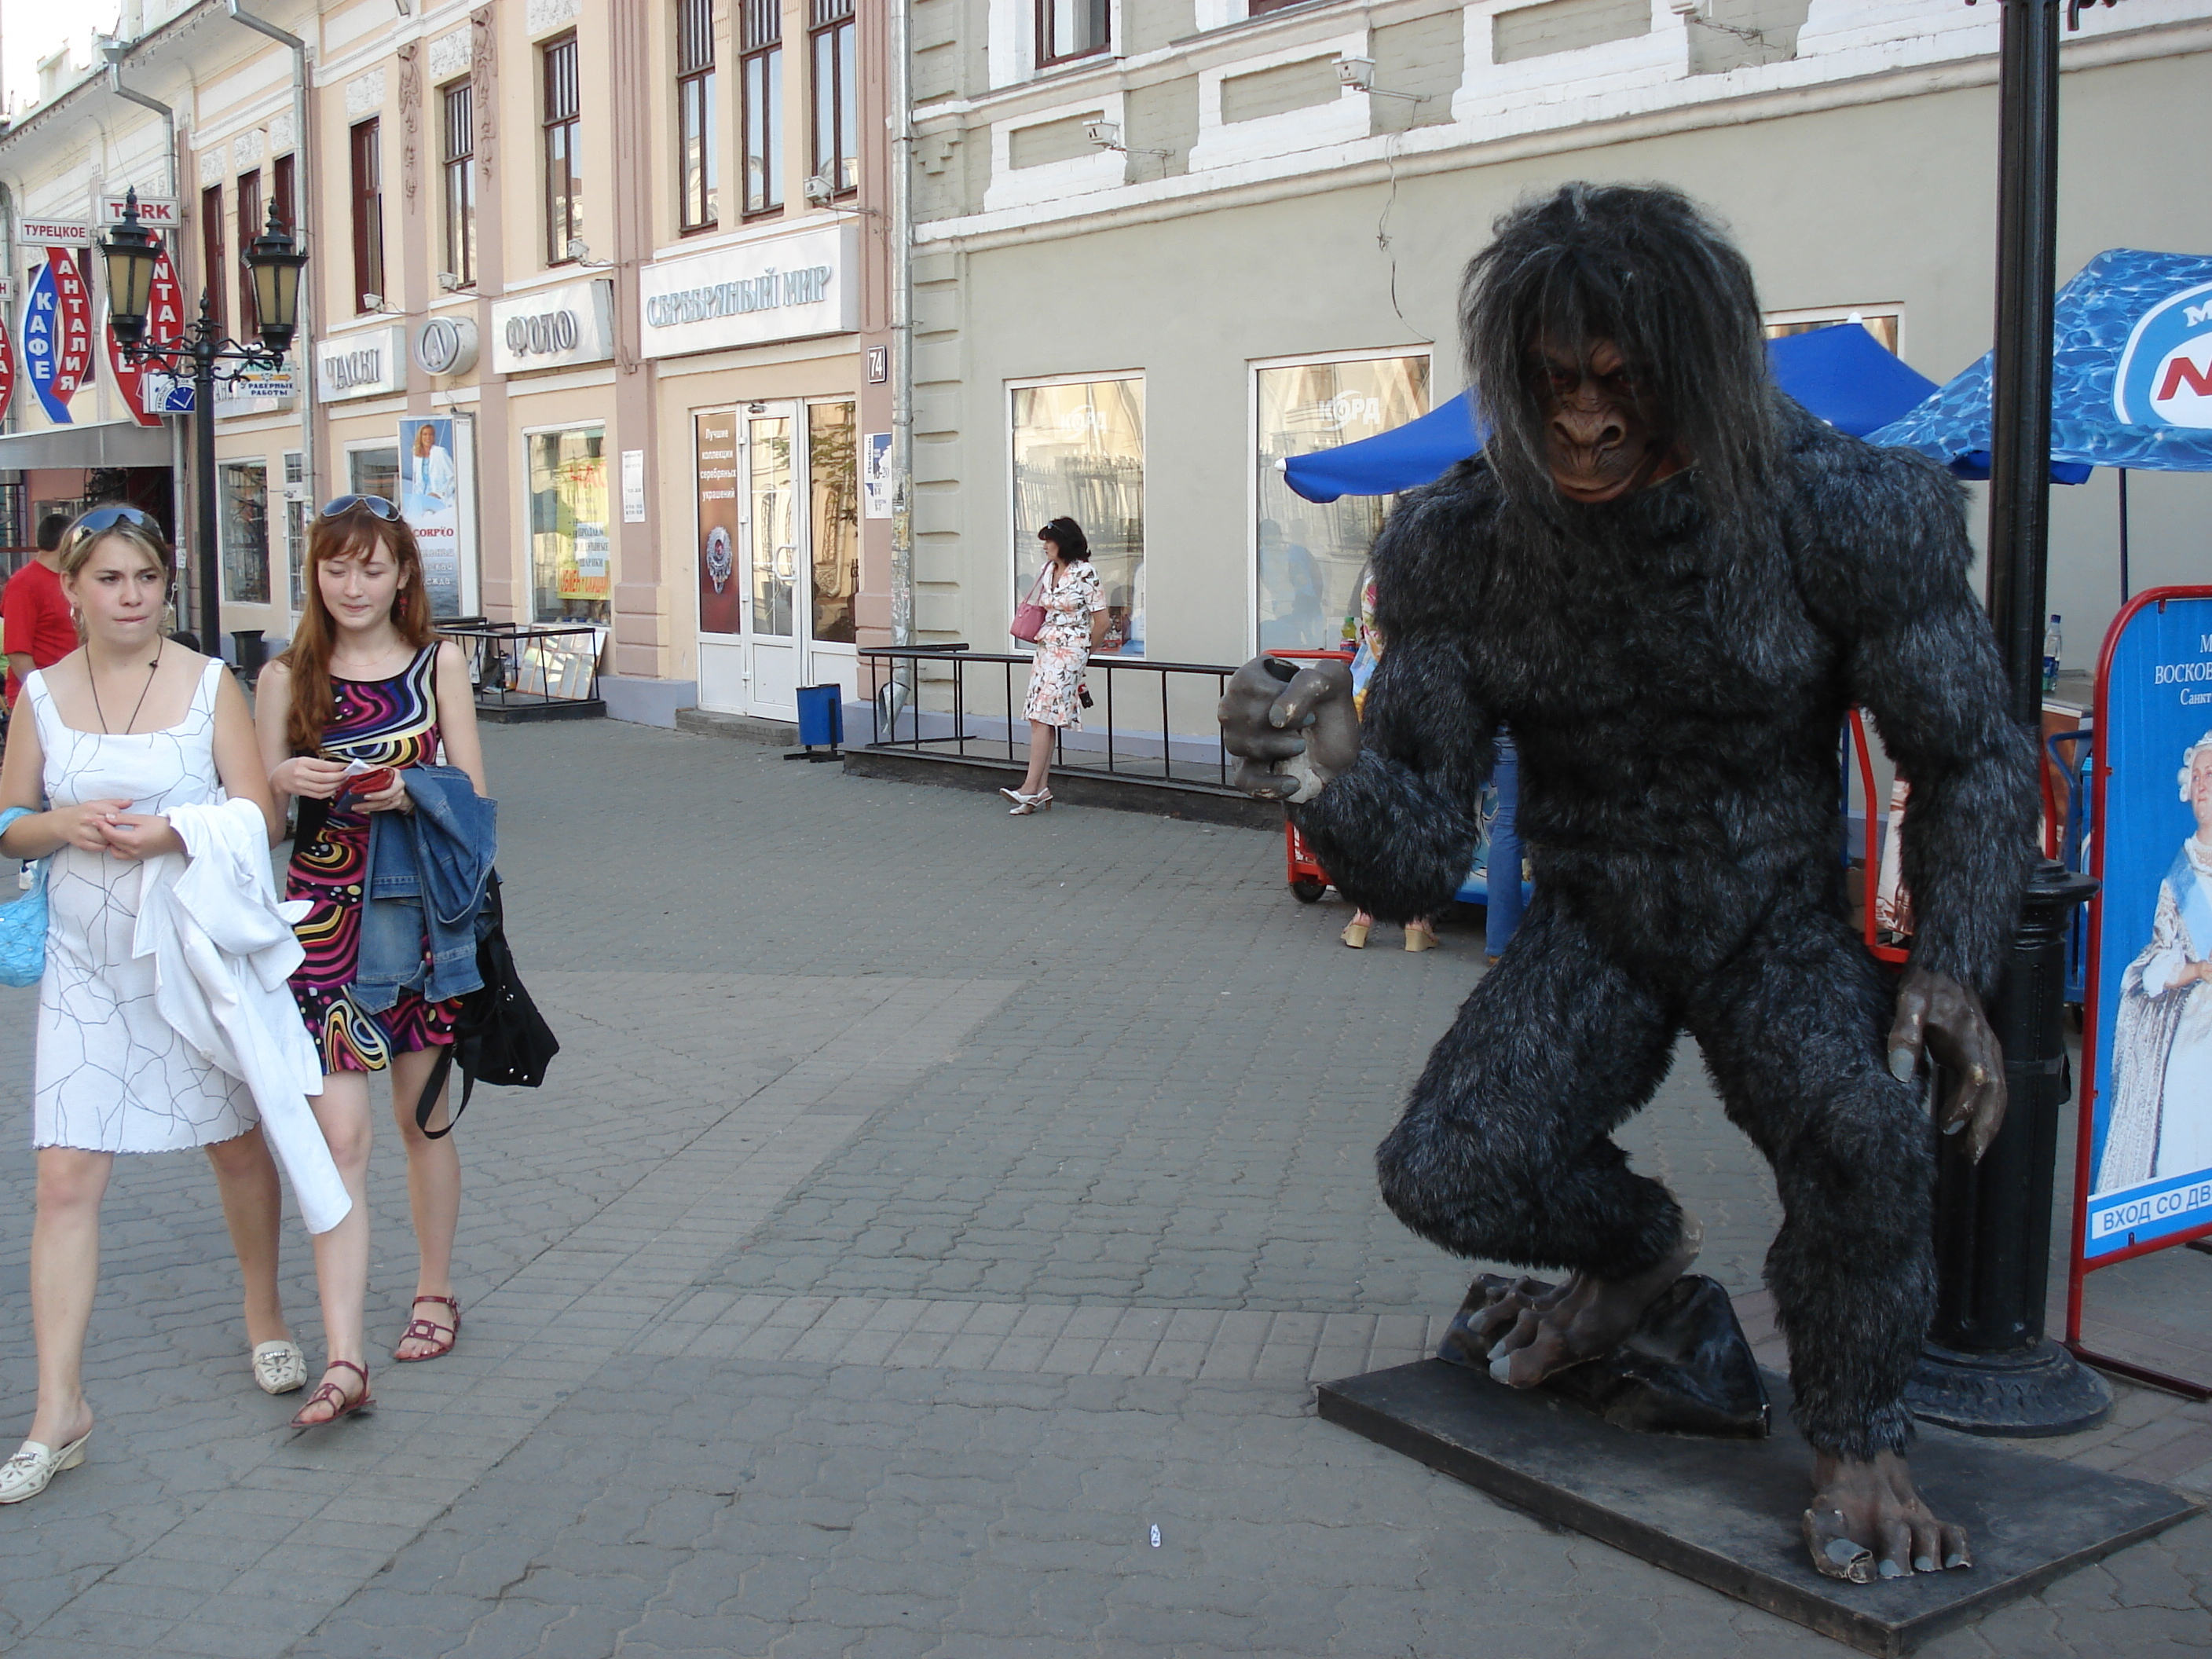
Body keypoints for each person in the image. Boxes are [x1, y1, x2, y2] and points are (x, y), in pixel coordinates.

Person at [0, 512, 305, 1504]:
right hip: (88, 969)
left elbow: (261, 813)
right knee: (64, 1180)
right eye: (111, 579)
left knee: (234, 1143)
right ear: (74, 589)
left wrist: (175, 830)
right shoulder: (39, 695)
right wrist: (62, 822)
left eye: (148, 578)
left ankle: (264, 1315)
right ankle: (60, 1409)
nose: (132, 594)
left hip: (187, 958)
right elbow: (10, 826)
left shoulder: (208, 681)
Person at [256, 495, 488, 1427]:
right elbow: (264, 829)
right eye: (336, 568)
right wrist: (278, 781)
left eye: (371, 568)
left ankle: (434, 1290)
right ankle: (344, 1353)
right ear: (315, 574)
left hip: (419, 930)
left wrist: (409, 790)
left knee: (420, 1121)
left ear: (402, 577)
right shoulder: (284, 678)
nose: (352, 586)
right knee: (337, 1140)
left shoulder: (441, 666)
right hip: (319, 939)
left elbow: (475, 798)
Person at [2097, 731, 2212, 1192]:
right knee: (2196, 1061)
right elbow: (2156, 961)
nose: (2204, 785)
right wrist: (2200, 970)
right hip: (2200, 1002)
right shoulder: (2179, 876)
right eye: (2198, 775)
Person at [1339, 566, 1437, 952]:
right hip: (1426, 700)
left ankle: (1363, 917)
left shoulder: (1374, 576)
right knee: (1421, 809)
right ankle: (1416, 920)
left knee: (1378, 808)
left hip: (1375, 695)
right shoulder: (1436, 572)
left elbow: (1369, 634)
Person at [1002, 517, 1107, 816]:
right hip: (1046, 649)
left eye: (1050, 540)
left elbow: (1101, 621)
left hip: (1070, 652)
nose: (1045, 546)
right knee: (1039, 717)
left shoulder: (1085, 572)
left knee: (1042, 716)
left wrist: (1084, 653)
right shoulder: (1048, 571)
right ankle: (1039, 790)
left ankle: (1029, 788)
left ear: (1064, 542)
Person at [6, 513, 87, 709]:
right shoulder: (24, 584)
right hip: (41, 700)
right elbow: (17, 654)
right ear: (66, 541)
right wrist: (42, 698)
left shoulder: (69, 580)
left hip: (73, 692)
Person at [402, 423, 456, 520]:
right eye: (425, 434)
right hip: (421, 499)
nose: (428, 437)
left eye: (431, 434)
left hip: (438, 498)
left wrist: (440, 494)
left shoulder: (440, 452)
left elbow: (452, 477)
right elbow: (416, 481)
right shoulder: (417, 456)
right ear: (420, 437)